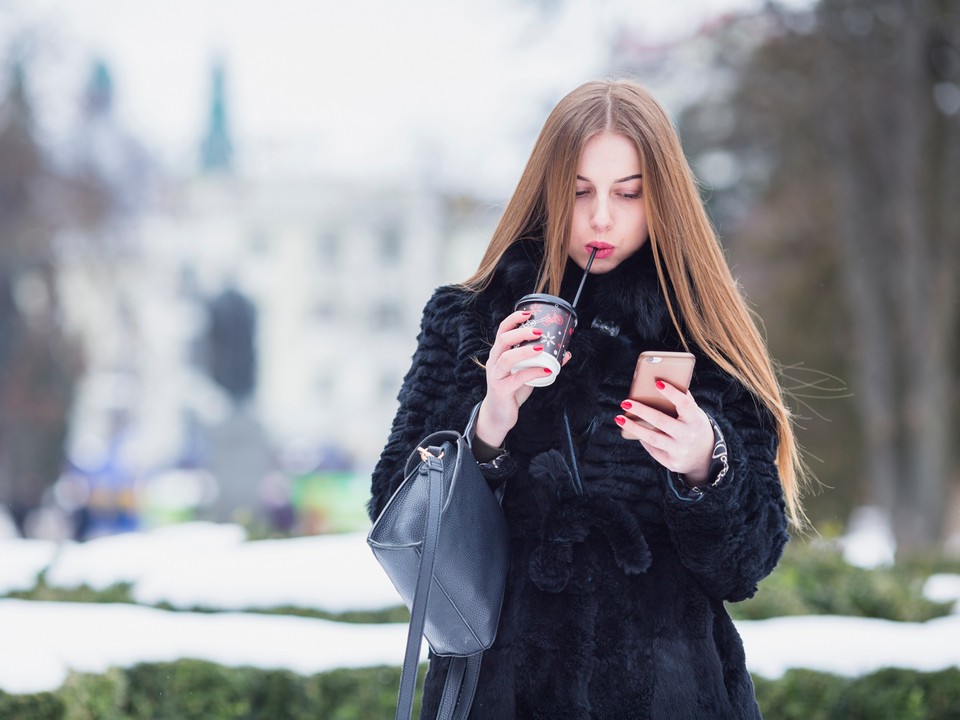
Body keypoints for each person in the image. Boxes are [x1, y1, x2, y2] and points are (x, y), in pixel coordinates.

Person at [368, 79, 804, 719]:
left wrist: (704, 465)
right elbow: (397, 523)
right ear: (546, 194)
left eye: (628, 193)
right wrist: (487, 427)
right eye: (580, 192)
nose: (602, 216)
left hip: (671, 695)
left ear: (663, 200)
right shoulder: (470, 322)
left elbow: (747, 565)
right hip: (498, 693)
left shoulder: (705, 332)